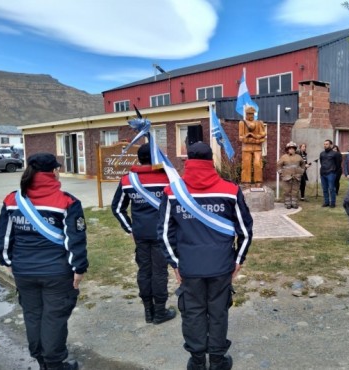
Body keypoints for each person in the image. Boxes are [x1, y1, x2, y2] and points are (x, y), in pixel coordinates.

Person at [157, 142, 253, 370]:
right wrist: (238, 260)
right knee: (218, 312)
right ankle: (218, 361)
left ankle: (197, 361)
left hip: (189, 267)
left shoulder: (172, 192)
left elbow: (163, 233)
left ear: (188, 160)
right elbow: (246, 231)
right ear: (211, 161)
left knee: (193, 313)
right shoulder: (230, 190)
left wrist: (175, 264)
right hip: (221, 266)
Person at [0, 153, 88, 370]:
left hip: (24, 271)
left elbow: (3, 237)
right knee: (54, 318)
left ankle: (41, 360)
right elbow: (75, 239)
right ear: (53, 172)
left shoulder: (12, 200)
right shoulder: (67, 201)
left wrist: (7, 261)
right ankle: (54, 363)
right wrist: (78, 268)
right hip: (57, 272)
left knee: (33, 315)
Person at [111, 143, 176, 325]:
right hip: (161, 233)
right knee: (160, 272)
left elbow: (117, 208)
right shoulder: (167, 179)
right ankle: (160, 311)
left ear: (139, 158)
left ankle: (148, 311)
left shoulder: (127, 180)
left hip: (140, 234)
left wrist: (130, 228)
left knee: (144, 271)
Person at [238, 106, 266, 185]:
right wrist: (248, 138)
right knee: (246, 164)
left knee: (258, 164)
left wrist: (257, 138)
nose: (251, 116)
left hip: (257, 147)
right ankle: (246, 181)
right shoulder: (242, 123)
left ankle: (258, 181)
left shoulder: (258, 123)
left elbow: (263, 133)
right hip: (246, 148)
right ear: (246, 114)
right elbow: (240, 137)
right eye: (249, 114)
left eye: (252, 114)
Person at [277, 141, 306, 209]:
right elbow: (278, 165)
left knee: (295, 190)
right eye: (290, 148)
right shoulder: (284, 157)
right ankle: (287, 203)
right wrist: (281, 173)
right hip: (286, 177)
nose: (291, 150)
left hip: (296, 177)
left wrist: (301, 172)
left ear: (295, 149)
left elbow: (303, 164)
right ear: (287, 149)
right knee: (287, 190)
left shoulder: (299, 157)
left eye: (293, 148)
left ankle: (294, 203)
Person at [319, 139, 341, 208]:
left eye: (327, 144)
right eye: (324, 144)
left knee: (331, 189)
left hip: (331, 173)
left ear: (331, 145)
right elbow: (321, 162)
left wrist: (334, 172)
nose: (325, 145)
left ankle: (333, 203)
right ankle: (326, 202)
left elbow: (338, 165)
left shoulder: (335, 154)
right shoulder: (322, 153)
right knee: (324, 189)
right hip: (323, 173)